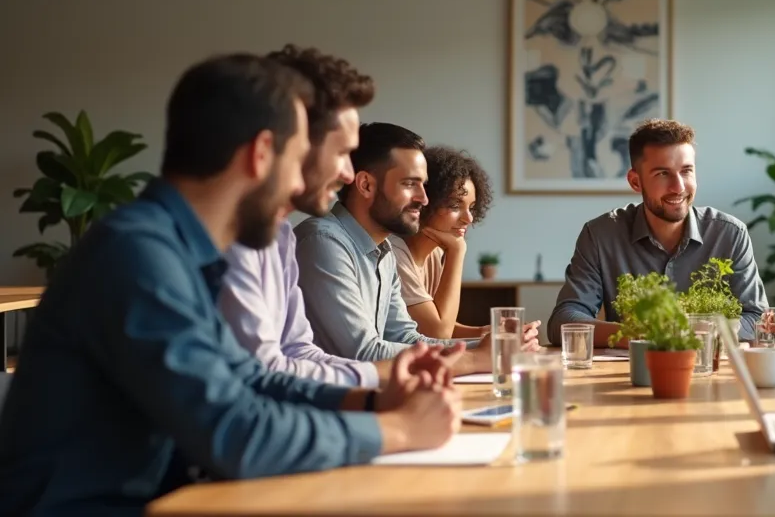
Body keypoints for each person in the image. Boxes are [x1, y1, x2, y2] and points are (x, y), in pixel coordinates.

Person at [0, 54, 463, 516]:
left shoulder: (181, 249)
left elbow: (248, 380)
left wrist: (372, 401)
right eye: (300, 154)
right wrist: (400, 430)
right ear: (260, 154)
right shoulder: (137, 254)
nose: (324, 176)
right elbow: (236, 434)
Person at [296, 122, 539, 363]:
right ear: (366, 185)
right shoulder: (323, 242)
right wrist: (475, 356)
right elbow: (363, 353)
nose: (424, 199)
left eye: (423, 184)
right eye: (410, 184)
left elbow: (406, 337)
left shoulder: (384, 250)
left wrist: (499, 345)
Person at [218, 44, 387, 387]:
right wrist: (385, 415)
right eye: (342, 153)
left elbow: (297, 350)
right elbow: (261, 379)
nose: (350, 175)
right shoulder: (215, 240)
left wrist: (385, 389)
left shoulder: (279, 234)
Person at [547, 118, 768, 346]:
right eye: (663, 174)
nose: (678, 187)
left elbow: (758, 319)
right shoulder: (600, 235)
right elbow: (563, 322)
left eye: (686, 171)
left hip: (710, 371)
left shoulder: (730, 234)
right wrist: (643, 336)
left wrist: (692, 334)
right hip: (630, 374)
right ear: (635, 182)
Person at [391, 145, 494, 340]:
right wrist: (457, 252)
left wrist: (489, 334)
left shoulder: (435, 253)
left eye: (471, 208)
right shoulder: (395, 254)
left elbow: (434, 320)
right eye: (455, 205)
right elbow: (438, 332)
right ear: (425, 201)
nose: (469, 219)